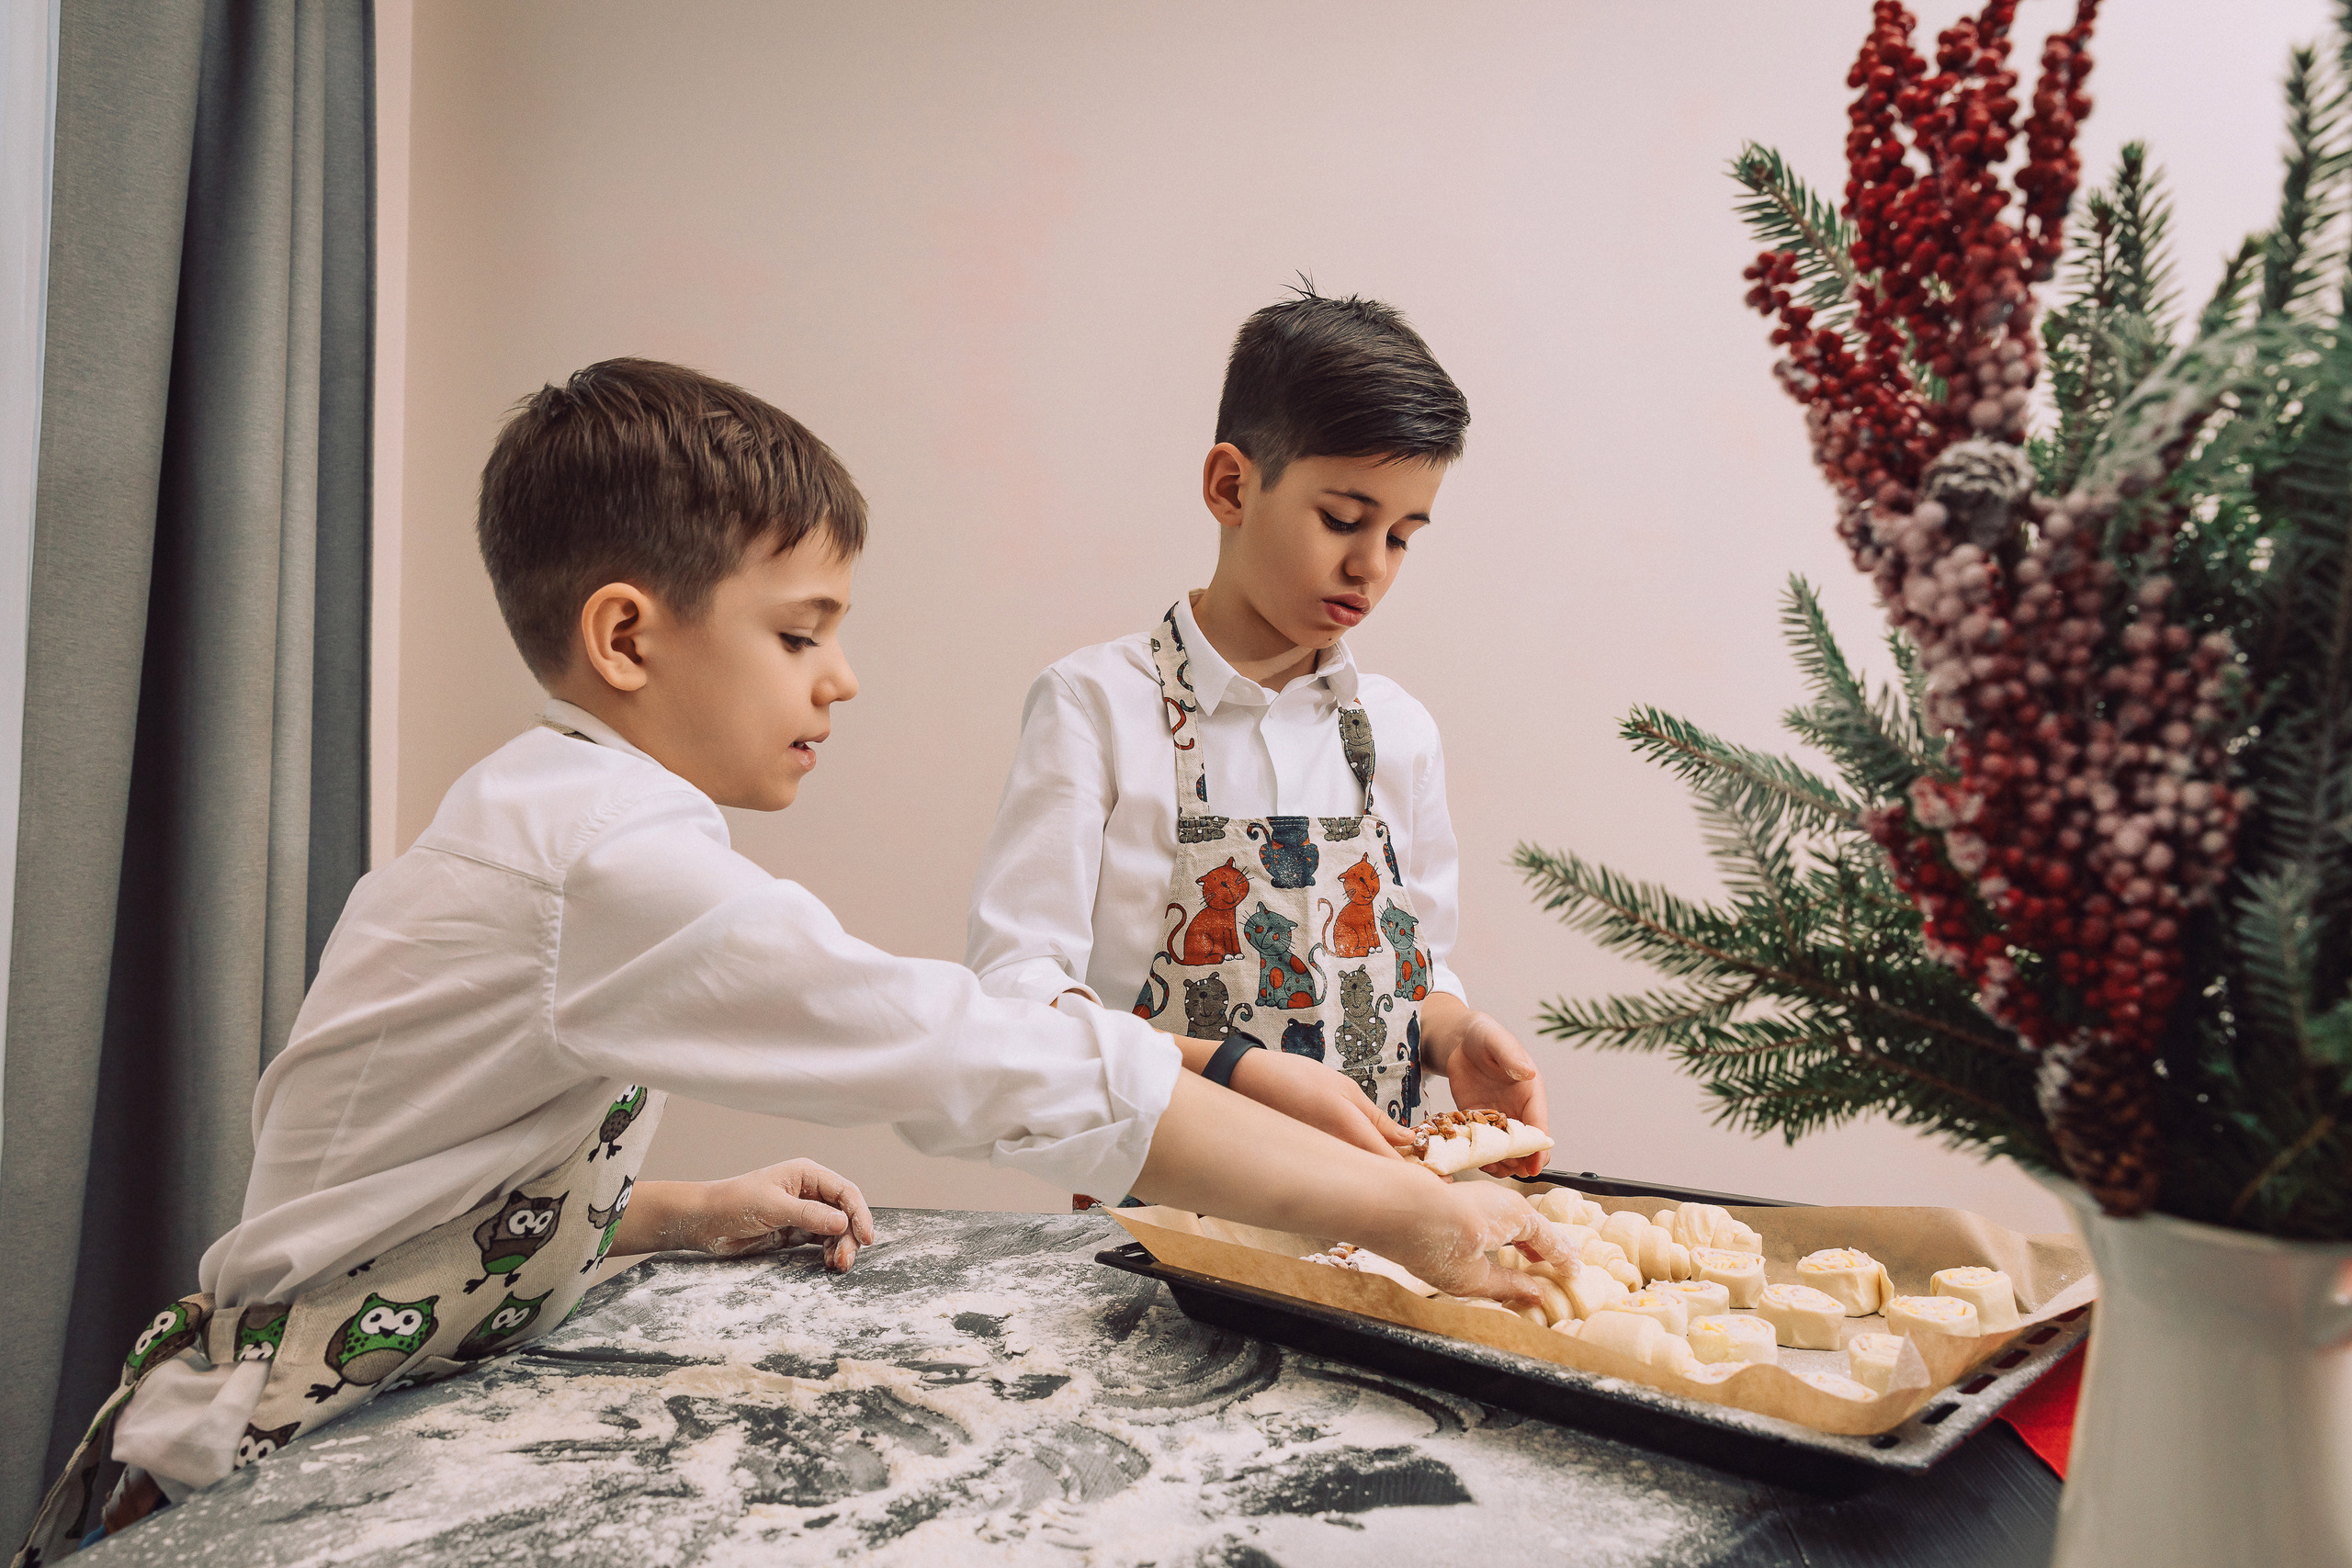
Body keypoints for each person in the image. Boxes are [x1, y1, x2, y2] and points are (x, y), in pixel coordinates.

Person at [21, 358, 1566, 1562]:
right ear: (630, 637)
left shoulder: (560, 813)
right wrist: (1410, 1214)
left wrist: (670, 1212)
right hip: (245, 1471)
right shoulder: (605, 858)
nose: (843, 675)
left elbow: (400, 1174)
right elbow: (973, 1048)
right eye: (799, 630)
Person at [967, 288, 1552, 1185]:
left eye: (1402, 535)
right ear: (1232, 487)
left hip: (1382, 1221)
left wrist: (1452, 1033)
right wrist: (1234, 1068)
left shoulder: (1397, 733)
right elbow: (1018, 995)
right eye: (1343, 520)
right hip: (1162, 1228)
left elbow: (1417, 962)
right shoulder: (1095, 708)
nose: (1370, 566)